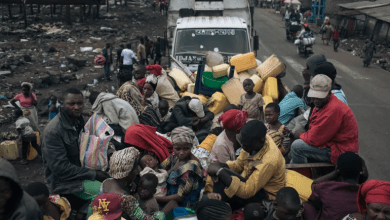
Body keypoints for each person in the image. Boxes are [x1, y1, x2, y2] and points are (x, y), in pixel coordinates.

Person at [42, 88, 108, 219]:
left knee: (115, 179)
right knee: (104, 191)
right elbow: (61, 169)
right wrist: (94, 174)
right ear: (62, 103)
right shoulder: (53, 131)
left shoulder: (79, 121)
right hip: (64, 182)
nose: (77, 107)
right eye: (72, 104)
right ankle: (86, 215)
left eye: (80, 103)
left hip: (81, 171)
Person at [207, 120, 286, 211]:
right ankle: (219, 207)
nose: (243, 148)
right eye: (242, 144)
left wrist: (220, 171)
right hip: (249, 181)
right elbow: (239, 164)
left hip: (265, 195)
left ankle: (220, 210)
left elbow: (247, 191)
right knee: (221, 177)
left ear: (260, 142)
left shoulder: (269, 160)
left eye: (246, 145)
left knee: (222, 177)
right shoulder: (252, 142)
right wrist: (220, 165)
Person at [290, 75, 359, 164]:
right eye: (315, 97)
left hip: (341, 150)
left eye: (320, 97)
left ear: (329, 93)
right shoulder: (321, 105)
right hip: (330, 143)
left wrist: (300, 135)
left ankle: (301, 174)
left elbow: (313, 139)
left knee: (297, 146)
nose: (316, 100)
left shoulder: (333, 109)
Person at [99, 147, 167, 219]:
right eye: (136, 168)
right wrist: (159, 215)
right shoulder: (126, 199)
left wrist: (129, 182)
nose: (137, 171)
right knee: (161, 215)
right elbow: (142, 218)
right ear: (128, 173)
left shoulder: (106, 182)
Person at [304, 152, 362, 220]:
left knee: (307, 205)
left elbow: (314, 185)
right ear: (361, 171)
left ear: (337, 169)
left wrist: (334, 173)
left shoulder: (326, 187)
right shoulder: (366, 193)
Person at [157, 126, 204, 208]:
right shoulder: (174, 156)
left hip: (184, 204)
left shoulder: (192, 167)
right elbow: (160, 168)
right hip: (168, 195)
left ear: (191, 147)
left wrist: (157, 198)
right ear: (173, 147)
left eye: (186, 149)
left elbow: (180, 196)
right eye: (177, 149)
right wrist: (171, 169)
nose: (181, 153)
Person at [205, 109, 248, 194]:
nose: (245, 125)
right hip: (223, 177)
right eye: (244, 124)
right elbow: (227, 171)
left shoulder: (237, 134)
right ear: (237, 129)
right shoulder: (221, 144)